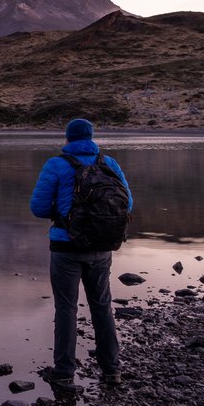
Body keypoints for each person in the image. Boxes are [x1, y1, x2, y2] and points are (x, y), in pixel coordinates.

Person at [30, 118, 132, 389]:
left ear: (68, 139)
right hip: (101, 248)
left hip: (66, 247)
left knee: (66, 308)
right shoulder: (109, 164)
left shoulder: (57, 164)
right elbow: (128, 202)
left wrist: (64, 215)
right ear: (91, 137)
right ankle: (111, 370)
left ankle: (64, 373)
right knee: (102, 306)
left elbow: (38, 208)